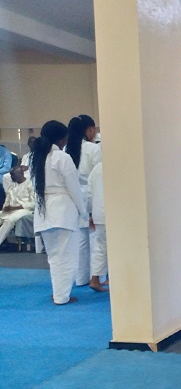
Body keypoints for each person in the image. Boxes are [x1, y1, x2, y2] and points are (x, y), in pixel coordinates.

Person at [31, 120, 86, 305]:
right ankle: (62, 296)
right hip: (63, 211)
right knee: (67, 257)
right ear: (61, 139)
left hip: (44, 211)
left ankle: (58, 292)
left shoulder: (37, 158)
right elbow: (74, 188)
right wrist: (83, 211)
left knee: (54, 257)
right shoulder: (62, 158)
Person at [66, 114, 102, 287]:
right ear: (89, 129)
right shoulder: (93, 149)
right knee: (96, 240)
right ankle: (98, 277)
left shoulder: (67, 150)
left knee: (80, 242)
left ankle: (81, 278)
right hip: (92, 197)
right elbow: (98, 175)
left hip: (75, 199)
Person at [0, 165, 35, 247]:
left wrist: (17, 207)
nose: (12, 177)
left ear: (21, 174)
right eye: (11, 175)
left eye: (13, 175)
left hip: (25, 209)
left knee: (10, 220)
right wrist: (6, 207)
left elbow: (34, 204)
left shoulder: (30, 185)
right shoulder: (12, 185)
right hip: (11, 210)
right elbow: (8, 199)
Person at [87, 161, 108, 292]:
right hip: (116, 213)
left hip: (99, 212)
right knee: (118, 249)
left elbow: (89, 194)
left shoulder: (97, 168)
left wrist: (91, 213)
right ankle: (116, 281)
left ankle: (95, 279)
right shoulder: (121, 164)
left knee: (100, 248)